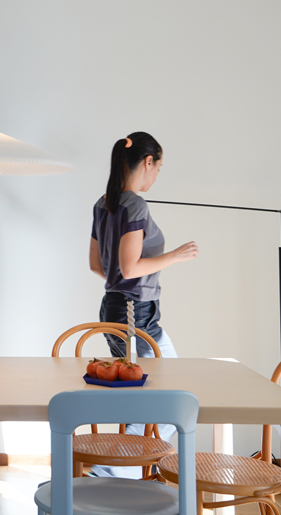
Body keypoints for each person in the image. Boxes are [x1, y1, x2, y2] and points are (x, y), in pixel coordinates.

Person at [88, 131, 198, 478]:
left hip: (117, 307)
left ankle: (125, 471)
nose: (156, 174)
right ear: (147, 162)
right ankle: (110, 475)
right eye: (158, 167)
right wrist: (174, 257)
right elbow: (130, 267)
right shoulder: (134, 204)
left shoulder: (103, 202)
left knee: (159, 395)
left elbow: (99, 266)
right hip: (137, 311)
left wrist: (124, 276)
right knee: (169, 397)